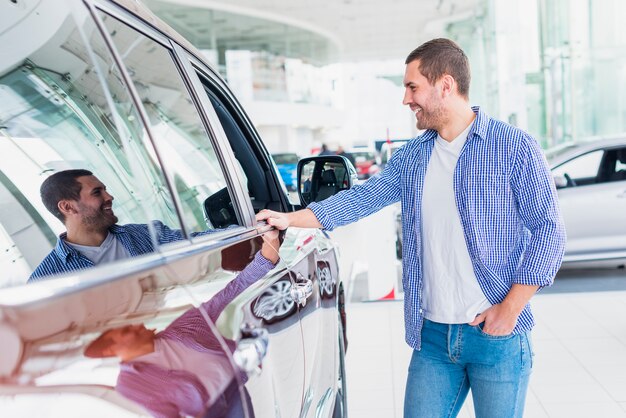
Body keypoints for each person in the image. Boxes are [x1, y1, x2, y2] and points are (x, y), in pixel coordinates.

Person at [257, 38, 566, 417]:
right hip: (433, 339)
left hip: (496, 336)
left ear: (446, 86)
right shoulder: (415, 156)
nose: (406, 99)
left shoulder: (513, 147)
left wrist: (511, 309)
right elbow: (361, 199)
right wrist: (289, 219)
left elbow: (548, 229)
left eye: (412, 87)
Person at [84, 230, 280, 418]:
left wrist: (270, 244)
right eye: (126, 330)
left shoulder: (185, 327)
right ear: (110, 349)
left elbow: (233, 289)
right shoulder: (130, 383)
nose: (137, 325)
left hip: (237, 395)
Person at [29, 169, 216, 282]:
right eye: (97, 192)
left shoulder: (146, 234)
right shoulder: (46, 279)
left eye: (105, 190)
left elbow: (205, 242)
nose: (109, 197)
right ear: (67, 207)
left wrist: (243, 228)